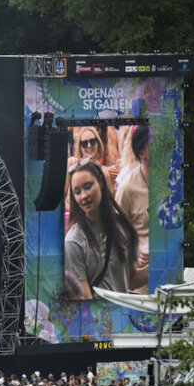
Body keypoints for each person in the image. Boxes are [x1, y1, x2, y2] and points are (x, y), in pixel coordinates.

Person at [63, 158, 148, 300]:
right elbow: (84, 300)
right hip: (99, 314)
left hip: (123, 312)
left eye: (88, 186)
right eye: (77, 192)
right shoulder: (73, 242)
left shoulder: (121, 225)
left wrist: (161, 264)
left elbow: (130, 279)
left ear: (101, 183)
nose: (84, 196)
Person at [113, 125, 151, 250]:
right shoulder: (126, 189)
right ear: (141, 153)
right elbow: (118, 236)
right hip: (140, 257)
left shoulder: (171, 182)